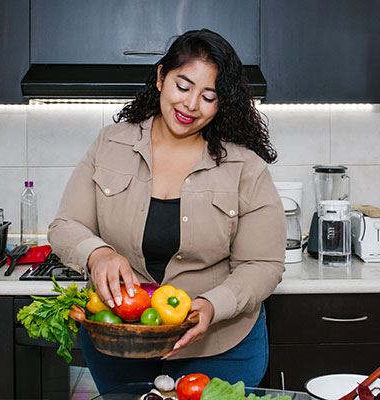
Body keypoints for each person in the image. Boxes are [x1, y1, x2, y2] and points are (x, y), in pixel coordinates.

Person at [48, 28, 286, 394]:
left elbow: (263, 265)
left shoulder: (245, 167)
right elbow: (66, 224)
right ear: (161, 77)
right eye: (183, 86)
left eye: (209, 96)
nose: (191, 105)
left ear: (222, 102)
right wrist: (98, 254)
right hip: (122, 344)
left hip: (220, 348)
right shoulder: (111, 144)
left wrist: (211, 305)